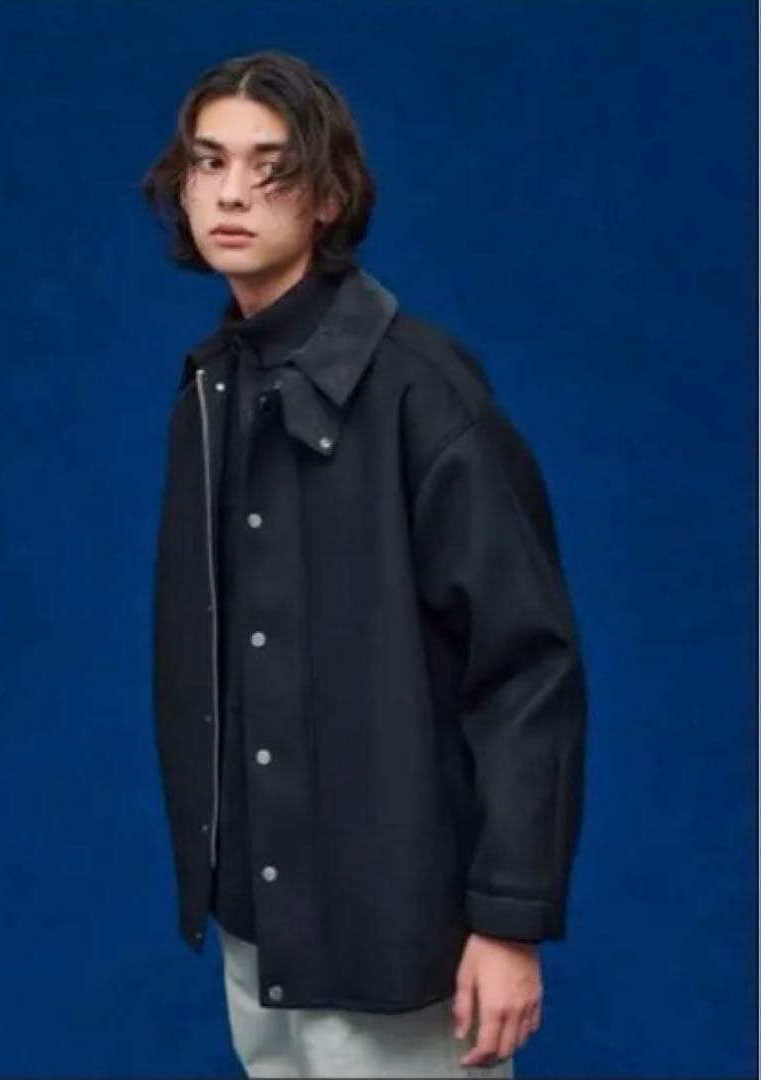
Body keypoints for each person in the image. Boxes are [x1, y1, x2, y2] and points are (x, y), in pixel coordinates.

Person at [141, 49, 587, 1079]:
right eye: (209, 162)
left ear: (330, 196)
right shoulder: (213, 389)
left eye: (273, 168)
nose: (233, 193)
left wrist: (508, 921)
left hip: (402, 934)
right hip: (260, 923)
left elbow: (528, 668)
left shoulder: (423, 392)